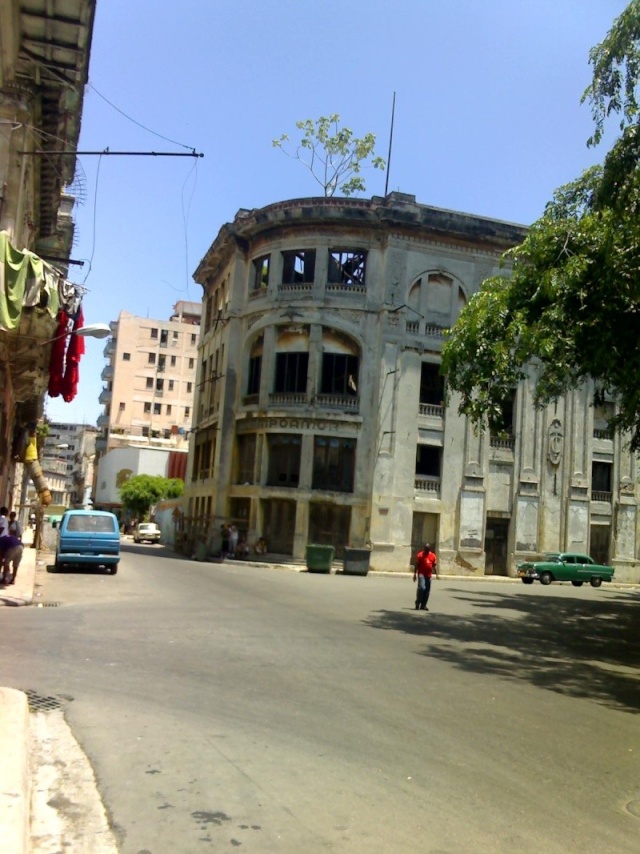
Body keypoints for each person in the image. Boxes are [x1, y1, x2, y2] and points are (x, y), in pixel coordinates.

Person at [413, 542, 437, 611]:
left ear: (429, 549)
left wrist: (436, 572)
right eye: (425, 549)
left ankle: (423, 605)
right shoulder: (420, 555)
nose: (426, 551)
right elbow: (416, 565)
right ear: (424, 549)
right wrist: (414, 574)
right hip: (421, 574)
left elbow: (434, 565)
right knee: (421, 588)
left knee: (427, 591)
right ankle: (418, 602)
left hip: (429, 575)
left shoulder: (433, 555)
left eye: (427, 550)